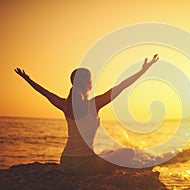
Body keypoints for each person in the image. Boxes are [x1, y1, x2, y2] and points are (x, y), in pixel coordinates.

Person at [14, 54, 159, 174]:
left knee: (107, 152)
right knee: (128, 153)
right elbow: (121, 86)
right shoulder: (93, 105)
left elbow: (45, 93)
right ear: (88, 83)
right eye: (91, 80)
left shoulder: (65, 104)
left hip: (66, 163)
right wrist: (142, 71)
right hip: (84, 165)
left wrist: (28, 79)